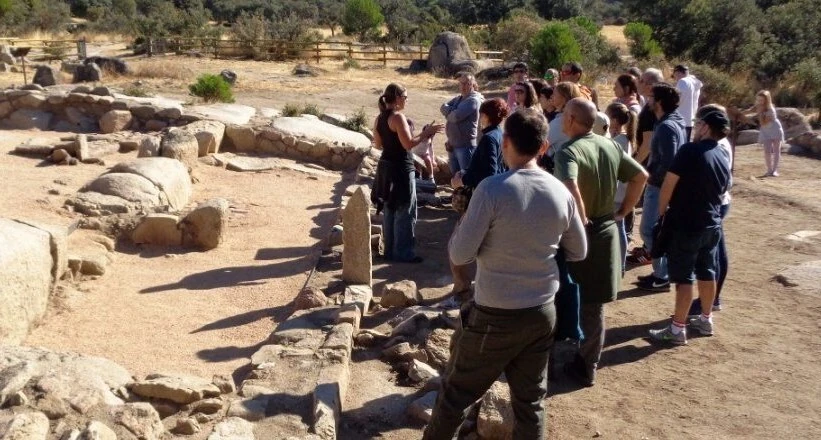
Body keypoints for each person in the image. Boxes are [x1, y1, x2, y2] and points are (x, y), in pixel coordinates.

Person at [423, 108, 587, 439]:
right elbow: (580, 251)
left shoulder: (492, 190)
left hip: (495, 314)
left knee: (456, 397)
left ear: (505, 143)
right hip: (541, 312)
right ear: (544, 147)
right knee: (530, 402)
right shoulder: (560, 192)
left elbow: (459, 253)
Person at [554, 98, 648, 386]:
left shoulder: (568, 151)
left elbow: (570, 186)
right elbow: (640, 176)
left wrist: (580, 219)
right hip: (606, 228)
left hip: (579, 233)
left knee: (570, 296)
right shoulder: (610, 145)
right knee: (593, 303)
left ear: (570, 119)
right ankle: (585, 360)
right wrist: (623, 212)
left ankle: (576, 362)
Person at [648, 108, 732, 345]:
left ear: (706, 127)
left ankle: (677, 329)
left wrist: (662, 212)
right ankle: (706, 319)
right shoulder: (722, 153)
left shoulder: (690, 150)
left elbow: (669, 183)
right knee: (707, 271)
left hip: (687, 224)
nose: (694, 128)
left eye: (698, 125)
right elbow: (724, 188)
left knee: (684, 277)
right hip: (711, 223)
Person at [372, 83, 443, 263]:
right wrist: (426, 133)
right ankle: (403, 253)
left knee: (389, 207)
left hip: (385, 167)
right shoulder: (397, 118)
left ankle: (389, 250)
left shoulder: (379, 118)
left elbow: (378, 144)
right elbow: (408, 144)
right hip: (401, 167)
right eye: (405, 97)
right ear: (397, 98)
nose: (406, 100)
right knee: (405, 209)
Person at [449, 98, 510, 299]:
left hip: (481, 198)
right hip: (495, 197)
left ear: (485, 115)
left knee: (457, 245)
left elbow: (490, 171)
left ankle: (461, 290)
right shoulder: (501, 135)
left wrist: (463, 179)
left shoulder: (489, 138)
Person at [636, 83, 687, 291]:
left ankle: (662, 275)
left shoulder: (666, 127)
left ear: (658, 102)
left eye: (650, 98)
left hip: (659, 186)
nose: (647, 101)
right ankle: (661, 273)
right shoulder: (673, 121)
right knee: (656, 231)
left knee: (649, 230)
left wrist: (651, 178)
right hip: (661, 186)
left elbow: (668, 162)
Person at [688, 104, 732, 315]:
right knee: (715, 252)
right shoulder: (719, 143)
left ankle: (711, 299)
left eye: (699, 123)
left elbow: (725, 181)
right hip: (716, 202)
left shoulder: (718, 146)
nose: (696, 127)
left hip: (714, 203)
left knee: (713, 255)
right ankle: (712, 298)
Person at [626, 68, 664, 266]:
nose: (637, 82)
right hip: (655, 166)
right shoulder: (658, 107)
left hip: (650, 167)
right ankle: (650, 251)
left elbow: (647, 143)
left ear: (649, 84)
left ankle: (652, 255)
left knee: (650, 218)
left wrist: (634, 163)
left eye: (640, 80)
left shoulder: (650, 110)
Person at [606, 102, 638, 274]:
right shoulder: (622, 138)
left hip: (617, 191)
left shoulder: (620, 140)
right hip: (620, 189)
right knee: (619, 227)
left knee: (619, 228)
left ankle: (620, 265)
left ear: (615, 120)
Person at [441, 72, 484, 175]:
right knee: (455, 177)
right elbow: (442, 107)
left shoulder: (473, 100)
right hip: (452, 145)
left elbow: (455, 117)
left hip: (465, 147)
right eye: (461, 83)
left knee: (466, 179)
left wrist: (450, 112)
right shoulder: (459, 98)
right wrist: (452, 111)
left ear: (473, 84)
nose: (463, 86)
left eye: (467, 83)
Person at [754, 90, 785, 177]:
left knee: (776, 150)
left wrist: (759, 113)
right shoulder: (759, 106)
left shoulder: (771, 109)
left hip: (775, 129)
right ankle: (769, 169)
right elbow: (750, 110)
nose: (760, 102)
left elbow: (763, 123)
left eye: (762, 100)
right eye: (758, 100)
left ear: (766, 100)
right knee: (767, 150)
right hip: (765, 131)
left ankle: (775, 170)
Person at [547, 82, 582, 158]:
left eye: (554, 94)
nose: (551, 96)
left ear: (564, 98)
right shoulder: (577, 118)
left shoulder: (560, 122)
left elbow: (542, 143)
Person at [673, 64, 703, 141]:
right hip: (689, 119)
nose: (675, 78)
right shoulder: (695, 82)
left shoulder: (683, 81)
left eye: (675, 75)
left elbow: (677, 100)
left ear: (678, 73)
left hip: (679, 119)